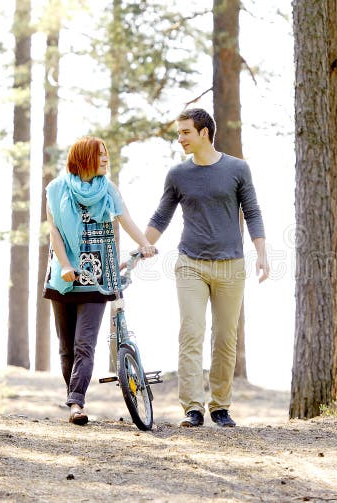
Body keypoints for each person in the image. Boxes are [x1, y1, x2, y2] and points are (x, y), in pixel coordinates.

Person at [145, 108, 269, 428]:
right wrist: (143, 245)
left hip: (231, 265)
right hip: (190, 263)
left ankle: (220, 407)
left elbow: (252, 212)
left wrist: (262, 254)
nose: (180, 138)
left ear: (204, 133)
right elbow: (161, 216)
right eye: (179, 133)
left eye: (185, 132)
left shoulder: (237, 169)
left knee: (225, 337)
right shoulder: (177, 175)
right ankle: (193, 408)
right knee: (191, 332)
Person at [43, 135, 156, 425]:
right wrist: (66, 265)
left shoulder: (109, 190)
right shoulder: (55, 190)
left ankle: (76, 403)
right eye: (100, 154)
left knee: (85, 344)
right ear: (83, 158)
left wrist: (145, 243)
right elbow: (54, 232)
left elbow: (126, 220)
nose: (106, 159)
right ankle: (74, 398)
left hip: (99, 275)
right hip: (64, 276)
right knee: (66, 346)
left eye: (107, 154)